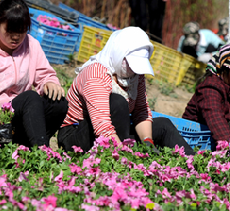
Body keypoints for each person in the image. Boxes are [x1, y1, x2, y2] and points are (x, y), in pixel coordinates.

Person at [58, 26, 195, 155]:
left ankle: (195, 163)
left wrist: (148, 142)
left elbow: (141, 111)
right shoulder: (96, 73)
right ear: (119, 54)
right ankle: (118, 158)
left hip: (116, 132)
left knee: (164, 125)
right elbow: (102, 125)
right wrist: (126, 158)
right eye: (130, 63)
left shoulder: (136, 76)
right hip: (78, 135)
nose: (134, 70)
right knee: (118, 102)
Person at [0, 0, 68, 148]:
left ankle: (28, 145)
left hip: (17, 119)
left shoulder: (31, 45)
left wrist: (50, 83)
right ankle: (41, 152)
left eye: (21, 31)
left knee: (58, 103)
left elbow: (44, 74)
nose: (16, 37)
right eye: (9, 31)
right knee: (30, 97)